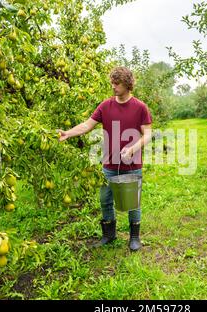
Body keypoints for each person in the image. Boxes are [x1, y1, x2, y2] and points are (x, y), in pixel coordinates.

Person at [58, 67, 152, 251]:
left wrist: (133, 149)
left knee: (133, 202)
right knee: (105, 200)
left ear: (127, 84)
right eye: (112, 83)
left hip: (132, 165)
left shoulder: (140, 107)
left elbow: (147, 134)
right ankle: (109, 234)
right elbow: (87, 125)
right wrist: (67, 133)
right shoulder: (105, 106)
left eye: (116, 84)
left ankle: (134, 237)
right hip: (108, 164)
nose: (113, 87)